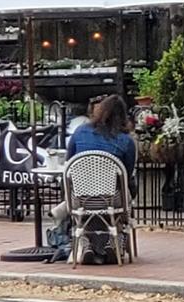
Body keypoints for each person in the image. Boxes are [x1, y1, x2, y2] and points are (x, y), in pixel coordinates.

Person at [49, 95, 136, 262]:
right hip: (111, 199)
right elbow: (127, 172)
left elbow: (69, 162)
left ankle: (86, 242)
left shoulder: (80, 132)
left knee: (83, 204)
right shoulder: (126, 141)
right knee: (124, 195)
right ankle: (114, 240)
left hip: (80, 199)